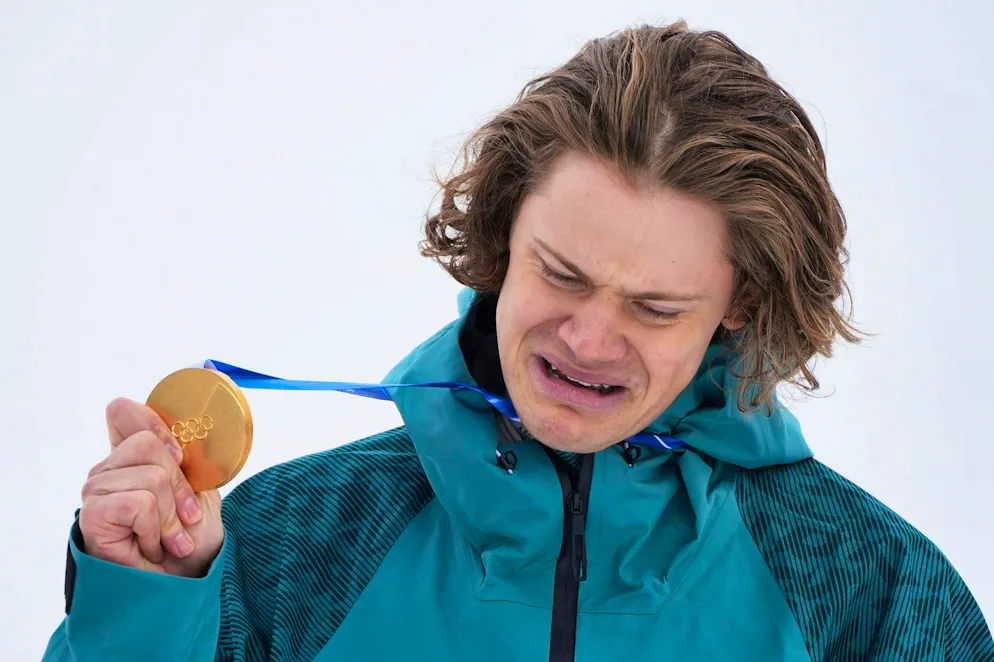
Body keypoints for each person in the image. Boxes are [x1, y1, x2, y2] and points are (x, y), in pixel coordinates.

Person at [43, 20, 992, 662]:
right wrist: (146, 606)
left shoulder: (866, 588)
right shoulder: (295, 543)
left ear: (740, 305)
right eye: (562, 274)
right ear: (502, 237)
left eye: (655, 308)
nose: (587, 340)